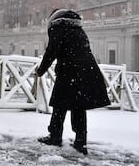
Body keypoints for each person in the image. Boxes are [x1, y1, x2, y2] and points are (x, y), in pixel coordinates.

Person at [35, 9, 111, 155]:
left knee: (59, 104)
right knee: (78, 105)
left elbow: (52, 50)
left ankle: (55, 136)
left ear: (54, 18)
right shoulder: (78, 29)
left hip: (69, 71)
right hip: (87, 70)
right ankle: (80, 142)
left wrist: (41, 70)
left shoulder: (58, 27)